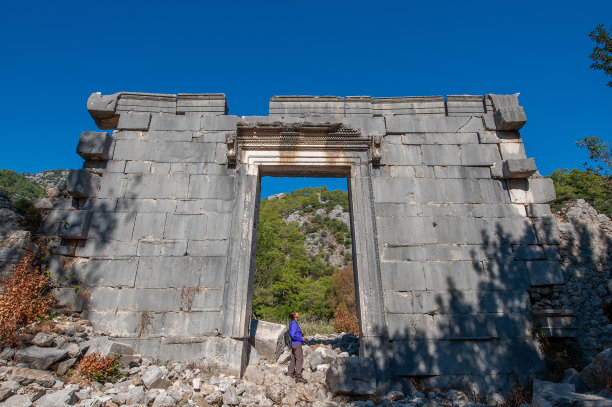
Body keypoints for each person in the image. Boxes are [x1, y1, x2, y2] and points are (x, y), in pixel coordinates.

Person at [287, 311, 307, 383]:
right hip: (296, 344)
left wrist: (300, 332)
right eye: (296, 313)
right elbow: (293, 335)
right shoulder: (294, 324)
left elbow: (294, 333)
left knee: (293, 359)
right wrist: (302, 339)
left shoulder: (292, 323)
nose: (298, 313)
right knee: (299, 359)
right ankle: (298, 376)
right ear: (294, 316)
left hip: (293, 344)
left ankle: (290, 374)